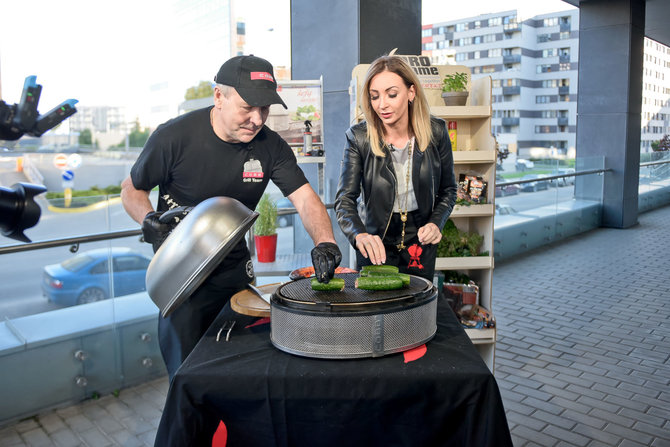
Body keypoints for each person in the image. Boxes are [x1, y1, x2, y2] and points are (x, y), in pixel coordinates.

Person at [121, 55, 341, 378]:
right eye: (247, 107)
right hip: (183, 283)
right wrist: (148, 219)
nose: (256, 119)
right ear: (219, 97)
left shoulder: (270, 147)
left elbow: (306, 199)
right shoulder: (174, 137)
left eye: (264, 109)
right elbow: (130, 189)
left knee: (240, 376)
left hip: (236, 276)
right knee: (188, 383)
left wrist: (326, 241)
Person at [335, 55, 457, 281]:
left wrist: (435, 223)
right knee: (377, 313)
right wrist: (360, 236)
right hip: (375, 242)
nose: (382, 104)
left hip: (420, 242)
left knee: (416, 311)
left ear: (411, 93)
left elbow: (449, 190)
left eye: (392, 94)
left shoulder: (437, 132)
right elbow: (344, 200)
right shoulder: (358, 137)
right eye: (374, 96)